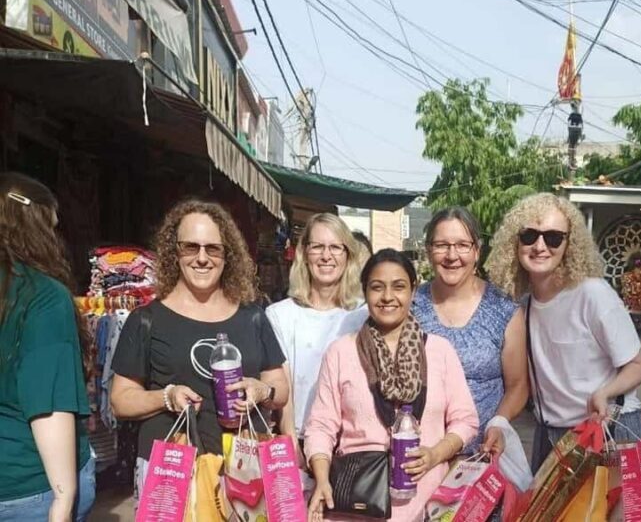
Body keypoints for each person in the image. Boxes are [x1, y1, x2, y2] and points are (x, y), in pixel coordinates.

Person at [110, 200, 289, 501]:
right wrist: (166, 397)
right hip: (172, 474)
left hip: (245, 471)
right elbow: (120, 401)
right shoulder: (147, 320)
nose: (202, 258)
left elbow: (281, 389)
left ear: (226, 254)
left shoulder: (253, 316)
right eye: (191, 247)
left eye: (213, 248)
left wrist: (262, 391)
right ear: (174, 252)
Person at [305, 249, 479, 521]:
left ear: (412, 290)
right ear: (365, 292)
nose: (388, 297)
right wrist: (322, 479)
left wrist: (434, 455)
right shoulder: (341, 352)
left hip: (428, 499)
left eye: (398, 287)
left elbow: (465, 420)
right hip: (359, 502)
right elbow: (321, 426)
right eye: (377, 287)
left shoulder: (440, 351)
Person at [487, 193, 641, 472]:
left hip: (608, 432)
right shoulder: (523, 306)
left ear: (568, 244)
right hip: (552, 436)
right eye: (529, 236)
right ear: (515, 242)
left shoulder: (593, 294)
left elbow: (638, 365)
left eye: (553, 238)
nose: (540, 246)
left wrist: (605, 392)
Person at [0, 172, 95, 521]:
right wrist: (63, 498)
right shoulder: (42, 296)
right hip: (29, 488)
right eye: (53, 228)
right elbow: (48, 404)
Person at [413, 207, 527, 455]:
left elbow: (518, 385)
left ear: (477, 251)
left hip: (482, 456)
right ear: (429, 251)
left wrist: (499, 422)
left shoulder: (503, 309)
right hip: (420, 455)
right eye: (442, 245)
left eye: (463, 245)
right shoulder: (410, 307)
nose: (452, 255)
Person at [265, 214, 367, 478]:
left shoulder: (363, 315)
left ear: (348, 255)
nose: (326, 256)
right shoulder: (280, 315)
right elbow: (282, 380)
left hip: (352, 445)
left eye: (335, 247)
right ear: (304, 253)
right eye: (317, 247)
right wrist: (289, 441)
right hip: (298, 440)